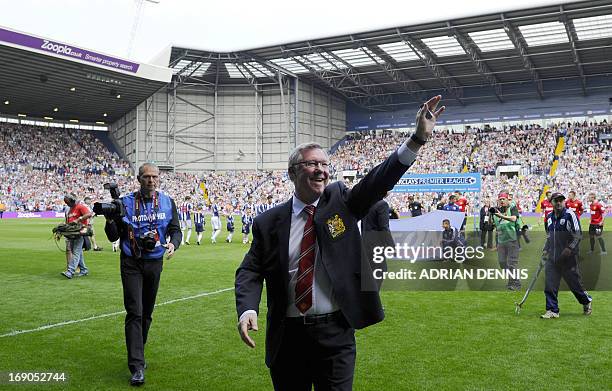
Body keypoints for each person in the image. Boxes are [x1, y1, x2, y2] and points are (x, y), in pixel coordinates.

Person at [235, 95, 444, 390]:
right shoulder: (268, 222)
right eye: (311, 164)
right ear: (293, 171)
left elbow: (378, 180)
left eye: (324, 163)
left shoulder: (342, 203)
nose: (321, 169)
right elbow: (250, 270)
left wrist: (417, 140)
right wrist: (247, 309)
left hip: (335, 333)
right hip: (287, 337)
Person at [103, 163, 181, 386]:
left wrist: (174, 244)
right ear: (138, 179)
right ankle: (136, 366)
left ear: (159, 179)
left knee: (147, 313)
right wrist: (111, 218)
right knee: (134, 312)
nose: (151, 180)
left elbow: (175, 230)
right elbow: (112, 236)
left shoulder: (168, 201)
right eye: (146, 177)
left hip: (155, 261)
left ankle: (139, 352)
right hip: (131, 262)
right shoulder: (125, 202)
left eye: (154, 177)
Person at [540, 192, 592, 319]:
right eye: (556, 200)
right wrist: (546, 250)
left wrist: (570, 248)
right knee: (550, 284)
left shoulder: (570, 215)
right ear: (551, 202)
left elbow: (578, 234)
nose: (558, 203)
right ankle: (552, 310)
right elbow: (549, 237)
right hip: (553, 257)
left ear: (564, 201)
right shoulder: (549, 218)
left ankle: (586, 301)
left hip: (568, 258)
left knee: (575, 285)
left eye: (561, 200)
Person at [491, 192, 521, 290]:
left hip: (512, 239)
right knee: (502, 263)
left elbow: (513, 219)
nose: (502, 201)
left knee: (512, 263)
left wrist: (501, 216)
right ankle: (512, 280)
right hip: (501, 241)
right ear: (498, 201)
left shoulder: (512, 208)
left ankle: (515, 283)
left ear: (508, 200)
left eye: (504, 199)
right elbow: (493, 226)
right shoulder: (495, 211)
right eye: (500, 199)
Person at [61, 193, 92, 279]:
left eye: (68, 203)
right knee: (78, 252)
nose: (67, 204)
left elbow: (89, 214)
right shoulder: (70, 209)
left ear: (72, 201)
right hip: (72, 234)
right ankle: (83, 269)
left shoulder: (80, 206)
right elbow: (68, 221)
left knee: (76, 252)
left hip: (80, 233)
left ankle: (70, 271)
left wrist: (79, 219)